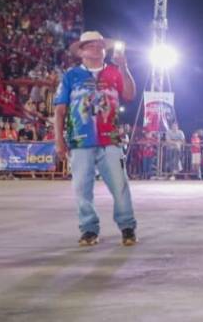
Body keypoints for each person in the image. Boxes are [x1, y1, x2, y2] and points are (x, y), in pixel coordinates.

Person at [52, 31, 137, 247]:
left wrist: (124, 67)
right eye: (90, 45)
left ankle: (127, 227)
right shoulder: (71, 76)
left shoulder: (115, 72)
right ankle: (89, 229)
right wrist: (59, 140)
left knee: (120, 185)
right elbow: (60, 111)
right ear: (81, 52)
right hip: (80, 141)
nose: (96, 48)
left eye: (100, 45)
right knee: (82, 188)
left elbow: (129, 94)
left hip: (111, 139)